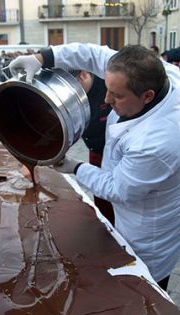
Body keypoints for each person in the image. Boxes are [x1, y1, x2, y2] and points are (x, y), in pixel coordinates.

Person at [9, 43, 180, 290]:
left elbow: (117, 189)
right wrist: (42, 57)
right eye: (108, 90)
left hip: (151, 229)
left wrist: (74, 167)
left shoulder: (158, 143)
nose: (107, 100)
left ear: (147, 96)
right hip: (148, 193)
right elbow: (93, 54)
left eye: (117, 96)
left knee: (144, 288)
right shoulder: (162, 74)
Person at [70, 70, 115, 224]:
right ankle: (105, 225)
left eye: (74, 86)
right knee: (99, 194)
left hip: (115, 154)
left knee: (114, 195)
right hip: (94, 152)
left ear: (83, 74)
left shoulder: (107, 87)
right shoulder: (72, 96)